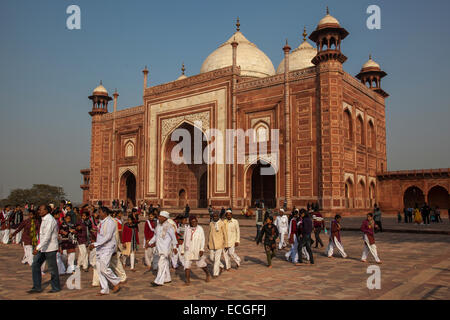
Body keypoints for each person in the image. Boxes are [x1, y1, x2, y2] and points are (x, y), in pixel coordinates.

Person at [88, 206, 121, 295]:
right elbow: (102, 234)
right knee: (99, 269)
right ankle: (104, 289)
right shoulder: (102, 222)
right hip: (101, 247)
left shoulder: (110, 222)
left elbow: (108, 236)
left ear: (105, 213)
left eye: (100, 212)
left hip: (107, 247)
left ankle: (116, 281)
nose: (98, 214)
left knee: (104, 268)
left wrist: (95, 244)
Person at [29, 205, 61, 294]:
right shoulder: (44, 219)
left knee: (52, 269)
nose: (39, 211)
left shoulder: (50, 220)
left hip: (50, 248)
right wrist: (39, 247)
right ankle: (37, 287)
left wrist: (37, 248)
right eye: (39, 209)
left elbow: (47, 237)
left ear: (46, 210)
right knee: (35, 264)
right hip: (43, 247)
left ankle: (56, 287)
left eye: (41, 209)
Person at [151, 211, 178, 287]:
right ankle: (167, 278)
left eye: (160, 216)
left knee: (160, 264)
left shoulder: (169, 227)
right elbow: (155, 236)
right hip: (159, 248)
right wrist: (149, 243)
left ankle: (159, 280)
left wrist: (175, 247)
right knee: (165, 263)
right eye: (159, 216)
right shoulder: (158, 226)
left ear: (165, 218)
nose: (158, 218)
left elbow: (174, 238)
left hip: (166, 249)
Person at [183, 215, 210, 285]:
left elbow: (202, 239)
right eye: (192, 222)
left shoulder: (200, 229)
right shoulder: (187, 229)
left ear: (197, 221)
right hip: (188, 250)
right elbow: (184, 239)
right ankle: (187, 280)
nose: (194, 223)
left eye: (195, 222)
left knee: (201, 264)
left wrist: (201, 249)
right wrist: (182, 250)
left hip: (197, 249)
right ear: (190, 222)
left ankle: (207, 274)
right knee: (186, 265)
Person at [208, 212, 228, 277]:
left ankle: (215, 273)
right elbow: (209, 233)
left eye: (216, 216)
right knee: (211, 258)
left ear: (218, 217)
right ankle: (221, 265)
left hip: (219, 243)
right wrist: (208, 242)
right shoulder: (211, 223)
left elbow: (225, 234)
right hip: (212, 243)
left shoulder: (221, 223)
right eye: (214, 216)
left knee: (216, 259)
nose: (215, 217)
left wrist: (226, 244)